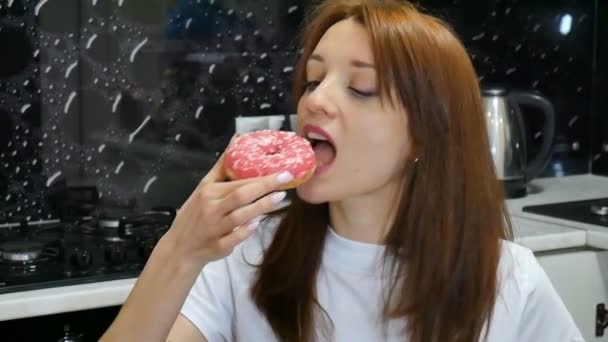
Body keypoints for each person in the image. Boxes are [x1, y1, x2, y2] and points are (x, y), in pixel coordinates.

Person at [100, 0, 585, 341]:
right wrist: (179, 250)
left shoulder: (507, 279)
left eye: (361, 87)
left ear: (425, 134)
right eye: (313, 79)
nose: (316, 100)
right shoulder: (245, 255)